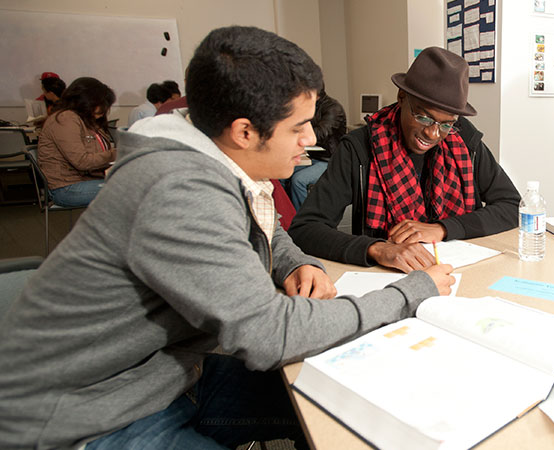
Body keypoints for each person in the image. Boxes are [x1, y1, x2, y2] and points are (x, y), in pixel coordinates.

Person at [0, 26, 454, 449]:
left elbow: (271, 230)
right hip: (89, 416)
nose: (310, 138)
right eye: (298, 127)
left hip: (170, 375)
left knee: (349, 406)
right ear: (244, 131)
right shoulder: (178, 190)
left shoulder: (211, 154)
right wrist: (410, 293)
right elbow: (269, 334)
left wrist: (297, 264)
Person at [289, 46, 520, 273]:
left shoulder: (465, 140)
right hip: (387, 278)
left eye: (446, 124)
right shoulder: (359, 148)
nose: (432, 133)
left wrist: (442, 228)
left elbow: (511, 206)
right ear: (401, 98)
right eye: (423, 117)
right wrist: (376, 249)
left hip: (460, 271)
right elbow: (305, 229)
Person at [36, 76, 117, 207]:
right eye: (102, 103)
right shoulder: (66, 118)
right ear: (86, 101)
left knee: (136, 185)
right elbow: (82, 161)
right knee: (131, 189)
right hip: (66, 188)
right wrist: (117, 153)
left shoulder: (83, 118)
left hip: (82, 181)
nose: (104, 109)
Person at [286, 92, 347, 210]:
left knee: (298, 181)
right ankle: (288, 215)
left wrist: (298, 135)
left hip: (330, 160)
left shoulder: (333, 109)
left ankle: (303, 220)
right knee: (283, 177)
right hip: (315, 157)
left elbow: (321, 133)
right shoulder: (313, 106)